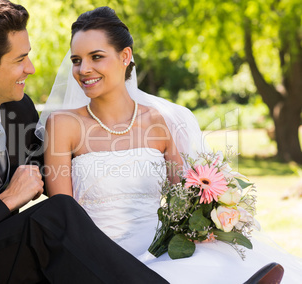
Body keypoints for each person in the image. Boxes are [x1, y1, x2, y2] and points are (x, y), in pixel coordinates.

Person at [0, 1, 171, 283]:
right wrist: (6, 200)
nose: (30, 68)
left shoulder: (18, 109)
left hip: (0, 252)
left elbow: (56, 169)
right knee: (52, 218)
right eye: (19, 60)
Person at [36, 6, 302, 284]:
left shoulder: (158, 121)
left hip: (162, 252)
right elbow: (62, 216)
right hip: (99, 257)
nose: (84, 69)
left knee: (215, 261)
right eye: (77, 60)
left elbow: (186, 197)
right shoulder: (63, 124)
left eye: (96, 57)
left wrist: (208, 218)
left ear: (125, 56)